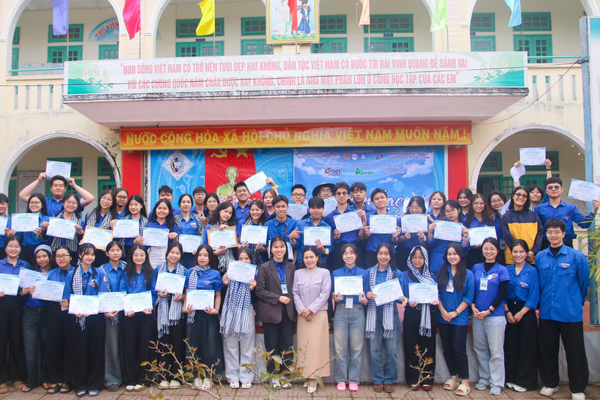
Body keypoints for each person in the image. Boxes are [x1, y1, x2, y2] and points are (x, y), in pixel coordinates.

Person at [536, 219, 589, 400]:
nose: (553, 235)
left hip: (570, 312)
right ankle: (551, 383)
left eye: (557, 232)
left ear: (564, 234)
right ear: (546, 234)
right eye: (550, 232)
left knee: (575, 352)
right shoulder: (540, 257)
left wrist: (576, 300)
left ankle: (578, 388)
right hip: (547, 312)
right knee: (547, 350)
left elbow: (584, 283)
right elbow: (540, 284)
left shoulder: (576, 257)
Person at [62, 243, 108, 398]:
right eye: (86, 254)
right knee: (78, 351)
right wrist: (72, 307)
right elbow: (67, 297)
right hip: (77, 318)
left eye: (92, 254)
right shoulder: (72, 274)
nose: (90, 257)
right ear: (80, 255)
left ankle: (95, 384)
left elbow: (102, 295)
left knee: (96, 350)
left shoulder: (99, 273)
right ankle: (79, 384)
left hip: (95, 317)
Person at [255, 236, 296, 390]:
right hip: (271, 311)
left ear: (286, 249)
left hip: (288, 311)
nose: (279, 250)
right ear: (270, 249)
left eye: (282, 247)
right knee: (272, 345)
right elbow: (260, 290)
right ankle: (273, 375)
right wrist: (278, 298)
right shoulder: (265, 267)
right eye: (276, 247)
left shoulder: (291, 267)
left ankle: (285, 375)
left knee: (287, 345)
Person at [471, 238, 509, 396]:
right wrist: (473, 306)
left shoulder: (502, 270)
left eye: (492, 249)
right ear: (482, 250)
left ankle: (497, 382)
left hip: (495, 316)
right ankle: (484, 378)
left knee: (496, 351)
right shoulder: (476, 268)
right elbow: (472, 289)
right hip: (477, 315)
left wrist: (490, 310)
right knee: (480, 348)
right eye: (486, 248)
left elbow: (503, 293)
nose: (489, 252)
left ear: (497, 251)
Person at [365, 242, 403, 394]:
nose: (383, 256)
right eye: (380, 253)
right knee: (374, 349)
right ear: (376, 255)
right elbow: (363, 292)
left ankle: (389, 380)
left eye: (386, 254)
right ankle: (377, 380)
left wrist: (401, 298)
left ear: (390, 256)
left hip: (390, 313)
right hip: (373, 313)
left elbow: (401, 295)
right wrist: (367, 294)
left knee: (391, 350)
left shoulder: (397, 273)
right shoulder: (369, 272)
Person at [184, 245, 223, 390]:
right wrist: (185, 307)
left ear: (210, 257)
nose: (202, 258)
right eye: (200, 255)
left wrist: (216, 309)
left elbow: (218, 294)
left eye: (205, 255)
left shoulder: (215, 274)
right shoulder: (190, 272)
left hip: (209, 315)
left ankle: (208, 376)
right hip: (193, 315)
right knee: (193, 345)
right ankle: (196, 376)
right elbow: (187, 292)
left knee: (210, 346)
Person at [293, 247, 331, 394]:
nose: (309, 260)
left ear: (317, 258)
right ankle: (306, 374)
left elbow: (325, 293)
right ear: (303, 259)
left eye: (312, 257)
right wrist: (303, 310)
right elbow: (295, 293)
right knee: (304, 347)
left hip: (318, 314)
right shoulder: (298, 273)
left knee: (316, 347)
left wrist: (311, 309)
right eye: (306, 257)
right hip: (303, 315)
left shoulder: (324, 273)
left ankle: (314, 378)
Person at [331, 243, 368, 392]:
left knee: (356, 348)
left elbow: (367, 293)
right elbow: (332, 293)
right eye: (345, 253)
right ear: (342, 256)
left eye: (352, 253)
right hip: (340, 311)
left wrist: (365, 300)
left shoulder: (364, 273)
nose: (349, 256)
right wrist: (334, 297)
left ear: (356, 255)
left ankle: (353, 379)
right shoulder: (336, 273)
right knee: (340, 347)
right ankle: (341, 379)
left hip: (358, 311)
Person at [437, 243, 473, 397]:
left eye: (455, 254)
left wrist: (455, 312)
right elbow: (436, 294)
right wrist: (443, 311)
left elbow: (468, 297)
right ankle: (453, 377)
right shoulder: (442, 273)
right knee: (448, 347)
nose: (452, 257)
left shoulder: (468, 274)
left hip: (460, 317)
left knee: (459, 348)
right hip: (443, 316)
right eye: (449, 254)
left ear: (461, 255)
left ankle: (465, 381)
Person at [118, 245, 156, 392]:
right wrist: (128, 308)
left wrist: (149, 306)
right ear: (131, 257)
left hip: (146, 314)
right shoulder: (126, 273)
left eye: (141, 255)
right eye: (136, 255)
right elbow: (122, 291)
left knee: (145, 347)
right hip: (130, 314)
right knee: (129, 346)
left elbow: (154, 292)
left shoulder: (151, 273)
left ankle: (143, 379)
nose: (139, 258)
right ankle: (130, 379)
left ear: (146, 256)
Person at [400, 245, 437, 391]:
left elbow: (437, 293)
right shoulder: (404, 275)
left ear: (425, 259)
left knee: (428, 347)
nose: (417, 260)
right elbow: (400, 294)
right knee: (411, 346)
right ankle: (413, 378)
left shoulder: (431, 276)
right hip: (412, 313)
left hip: (428, 314)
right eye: (414, 257)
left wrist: (435, 299)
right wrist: (406, 299)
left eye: (420, 257)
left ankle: (427, 378)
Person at [504, 240, 539, 393]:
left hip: (526, 311)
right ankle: (511, 378)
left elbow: (534, 296)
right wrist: (507, 312)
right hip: (509, 311)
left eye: (521, 252)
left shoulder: (532, 271)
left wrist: (521, 312)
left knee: (527, 347)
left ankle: (526, 381)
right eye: (515, 252)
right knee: (511, 345)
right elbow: (501, 293)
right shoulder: (506, 270)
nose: (518, 255)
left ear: (526, 253)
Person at [220, 248, 256, 390]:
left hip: (247, 311)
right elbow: (222, 295)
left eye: (246, 258)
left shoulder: (254, 275)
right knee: (231, 344)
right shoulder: (229, 274)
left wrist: (253, 289)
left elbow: (258, 298)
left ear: (251, 261)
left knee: (247, 344)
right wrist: (225, 284)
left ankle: (246, 377)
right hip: (230, 311)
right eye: (240, 258)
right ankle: (232, 376)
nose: (243, 261)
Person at [153, 242, 187, 390]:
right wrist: (158, 293)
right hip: (162, 312)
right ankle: (163, 376)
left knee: (177, 343)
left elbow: (187, 291)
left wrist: (182, 297)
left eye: (177, 253)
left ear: (181, 255)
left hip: (177, 313)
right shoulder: (158, 270)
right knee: (163, 343)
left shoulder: (185, 271)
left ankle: (176, 377)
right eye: (172, 252)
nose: (174, 255)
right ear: (167, 253)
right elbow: (153, 288)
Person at [0, 237, 30, 393]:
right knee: (1, 341)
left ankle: (17, 377)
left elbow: (30, 287)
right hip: (2, 306)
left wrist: (25, 292)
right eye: (10, 246)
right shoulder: (0, 265)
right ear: (5, 248)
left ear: (20, 249)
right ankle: (1, 380)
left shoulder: (25, 266)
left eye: (16, 246)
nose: (13, 249)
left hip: (18, 306)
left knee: (16, 341)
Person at [535, 177, 599, 249]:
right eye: (550, 187)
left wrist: (594, 211)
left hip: (567, 244)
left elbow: (584, 224)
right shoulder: (539, 208)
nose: (553, 189)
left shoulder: (571, 208)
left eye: (556, 187)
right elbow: (537, 230)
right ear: (546, 191)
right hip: (546, 244)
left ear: (562, 189)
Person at [22, 245, 53, 392]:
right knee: (30, 348)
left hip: (48, 312)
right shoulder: (30, 274)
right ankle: (32, 380)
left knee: (48, 347)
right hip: (31, 312)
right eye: (38, 257)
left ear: (50, 257)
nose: (42, 259)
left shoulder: (55, 274)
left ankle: (46, 378)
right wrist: (24, 291)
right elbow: (19, 293)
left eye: (44, 256)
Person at [44, 246, 74, 395]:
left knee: (70, 346)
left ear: (70, 257)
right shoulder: (50, 274)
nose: (61, 259)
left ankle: (68, 380)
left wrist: (70, 301)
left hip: (71, 312)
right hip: (54, 312)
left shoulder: (76, 272)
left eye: (64, 255)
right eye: (58, 256)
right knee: (54, 345)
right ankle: (55, 379)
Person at [100, 241, 126, 392]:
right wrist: (105, 310)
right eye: (112, 250)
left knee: (126, 344)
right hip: (110, 313)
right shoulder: (101, 271)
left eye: (118, 250)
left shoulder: (127, 267)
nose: (115, 253)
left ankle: (127, 375)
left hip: (128, 311)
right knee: (112, 345)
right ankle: (112, 379)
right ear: (106, 253)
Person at [359, 188, 402, 268]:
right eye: (377, 199)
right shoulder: (367, 217)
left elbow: (395, 241)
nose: (380, 200)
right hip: (372, 252)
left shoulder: (394, 219)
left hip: (389, 253)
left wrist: (395, 237)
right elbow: (363, 238)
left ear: (387, 199)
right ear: (372, 202)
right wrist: (367, 235)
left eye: (382, 197)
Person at [327, 182, 365, 270]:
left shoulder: (356, 213)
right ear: (334, 196)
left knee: (356, 273)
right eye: (338, 193)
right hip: (338, 249)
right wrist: (334, 236)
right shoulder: (329, 217)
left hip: (355, 247)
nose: (341, 196)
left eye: (344, 193)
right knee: (338, 274)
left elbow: (361, 236)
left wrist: (364, 220)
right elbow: (328, 239)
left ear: (348, 195)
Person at [500, 187, 543, 265]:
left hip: (531, 258)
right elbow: (506, 236)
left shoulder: (533, 216)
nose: (521, 197)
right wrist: (520, 252)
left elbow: (539, 234)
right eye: (518, 194)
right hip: (513, 259)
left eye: (524, 196)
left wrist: (533, 251)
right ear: (513, 196)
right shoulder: (506, 217)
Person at [19, 173, 94, 217]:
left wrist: (74, 185)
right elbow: (23, 195)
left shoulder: (70, 202)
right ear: (51, 188)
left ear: (65, 188)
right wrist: (38, 180)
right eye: (55, 186)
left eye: (61, 186)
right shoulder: (44, 201)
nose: (58, 188)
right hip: (46, 236)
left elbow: (89, 198)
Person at [427, 200, 470, 273]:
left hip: (455, 262)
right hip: (438, 261)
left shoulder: (463, 228)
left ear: (458, 210)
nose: (450, 213)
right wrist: (430, 232)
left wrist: (466, 238)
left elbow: (463, 249)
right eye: (447, 211)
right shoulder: (440, 226)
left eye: (452, 210)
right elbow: (431, 244)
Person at [43, 192, 84, 263]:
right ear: (63, 203)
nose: (71, 205)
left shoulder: (80, 221)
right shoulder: (54, 219)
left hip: (72, 253)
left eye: (74, 203)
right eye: (68, 202)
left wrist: (80, 233)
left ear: (77, 205)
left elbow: (81, 242)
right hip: (55, 252)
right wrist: (44, 230)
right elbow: (47, 239)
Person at [11, 193, 50, 265]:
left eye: (37, 202)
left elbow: (50, 240)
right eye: (31, 202)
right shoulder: (22, 218)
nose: (34, 205)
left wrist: (41, 234)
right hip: (25, 250)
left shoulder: (47, 220)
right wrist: (12, 235)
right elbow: (18, 236)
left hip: (41, 251)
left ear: (42, 205)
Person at [464, 194, 501, 269]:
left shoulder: (490, 220)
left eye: (481, 203)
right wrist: (469, 242)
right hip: (473, 253)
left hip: (488, 254)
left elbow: (495, 237)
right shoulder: (467, 221)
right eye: (476, 203)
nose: (479, 206)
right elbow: (464, 241)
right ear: (472, 205)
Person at [296, 197, 333, 269]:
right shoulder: (300, 224)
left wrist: (324, 251)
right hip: (303, 262)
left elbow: (330, 247)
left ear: (323, 209)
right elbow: (296, 245)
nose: (316, 210)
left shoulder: (327, 227)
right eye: (313, 208)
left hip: (321, 261)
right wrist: (292, 239)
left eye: (319, 208)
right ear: (309, 209)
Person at [83, 189, 117, 266]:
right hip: (89, 250)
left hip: (104, 252)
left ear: (112, 202)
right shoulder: (89, 214)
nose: (105, 201)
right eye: (104, 198)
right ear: (100, 198)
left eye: (109, 199)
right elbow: (85, 230)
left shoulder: (114, 217)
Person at [203, 202, 237, 273]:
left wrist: (228, 231)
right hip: (213, 261)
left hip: (229, 262)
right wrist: (215, 252)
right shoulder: (209, 227)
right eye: (225, 211)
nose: (227, 214)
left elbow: (235, 246)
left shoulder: (232, 227)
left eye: (230, 213)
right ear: (219, 211)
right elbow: (205, 246)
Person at [397, 196, 428, 272]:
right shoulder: (401, 220)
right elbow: (394, 239)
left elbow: (428, 245)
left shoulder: (426, 221)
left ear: (423, 208)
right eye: (412, 207)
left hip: (420, 255)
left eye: (417, 208)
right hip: (403, 254)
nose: (414, 210)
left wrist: (422, 238)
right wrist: (404, 237)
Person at [264, 195, 300, 262]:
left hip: (290, 261)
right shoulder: (268, 225)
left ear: (287, 207)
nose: (281, 209)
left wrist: (291, 239)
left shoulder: (295, 224)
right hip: (273, 261)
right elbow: (267, 246)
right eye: (278, 207)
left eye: (283, 206)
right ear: (273, 208)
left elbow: (297, 246)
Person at [145, 199, 179, 269]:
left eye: (164, 209)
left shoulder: (173, 225)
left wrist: (175, 237)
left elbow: (176, 244)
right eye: (159, 208)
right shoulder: (149, 225)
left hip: (167, 255)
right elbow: (145, 246)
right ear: (155, 210)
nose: (161, 211)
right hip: (153, 254)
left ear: (169, 211)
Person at [176, 194, 204, 268]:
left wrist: (199, 249)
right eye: (183, 202)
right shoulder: (175, 219)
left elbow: (202, 234)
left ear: (191, 204)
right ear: (179, 204)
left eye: (188, 202)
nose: (186, 204)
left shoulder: (197, 219)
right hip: (179, 253)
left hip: (194, 254)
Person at [237, 200, 268, 265]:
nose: (255, 212)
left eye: (257, 210)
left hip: (260, 260)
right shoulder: (242, 223)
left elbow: (266, 247)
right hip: (244, 260)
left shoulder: (266, 225)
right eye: (252, 210)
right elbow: (236, 242)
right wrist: (241, 246)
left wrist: (261, 248)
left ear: (262, 210)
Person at [0, 194, 10, 259]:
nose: (0, 206)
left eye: (3, 203)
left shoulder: (11, 221)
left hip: (6, 251)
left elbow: (18, 238)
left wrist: (10, 236)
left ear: (7, 204)